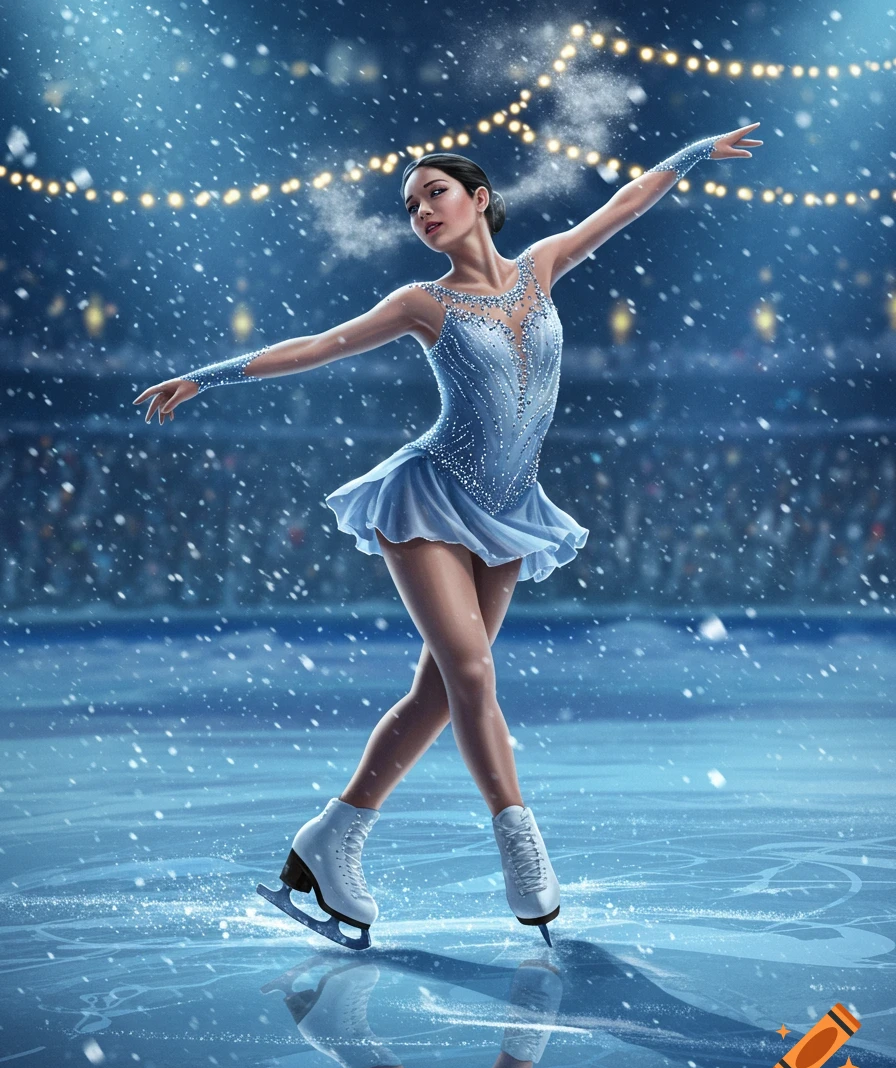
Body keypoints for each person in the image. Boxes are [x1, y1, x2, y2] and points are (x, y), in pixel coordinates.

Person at [134, 122, 762, 948]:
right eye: (409, 204)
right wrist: (206, 376)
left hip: (508, 509)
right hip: (428, 498)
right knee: (471, 670)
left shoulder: (541, 267)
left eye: (435, 192)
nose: (421, 210)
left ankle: (330, 840)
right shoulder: (420, 303)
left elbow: (624, 204)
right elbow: (322, 346)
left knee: (439, 692)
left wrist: (688, 155)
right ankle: (520, 840)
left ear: (480, 200)